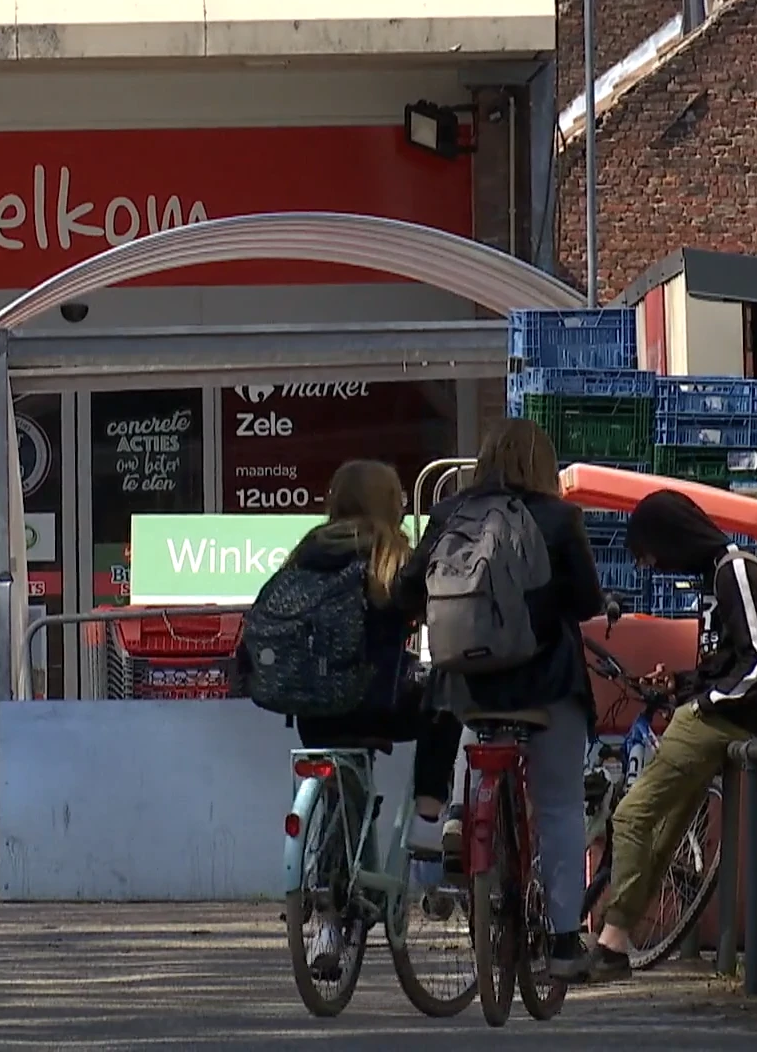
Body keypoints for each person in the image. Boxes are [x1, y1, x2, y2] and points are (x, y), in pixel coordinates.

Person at [395, 417, 610, 979]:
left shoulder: (448, 516)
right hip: (547, 684)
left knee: (474, 734)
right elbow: (585, 601)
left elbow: (406, 592)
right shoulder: (560, 518)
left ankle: (464, 815)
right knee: (561, 806)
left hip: (467, 686)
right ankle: (564, 945)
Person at [234, 460, 464, 973]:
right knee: (446, 699)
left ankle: (328, 934)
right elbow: (424, 609)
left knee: (342, 798)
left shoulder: (307, 552)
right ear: (386, 502)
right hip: (374, 703)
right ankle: (430, 819)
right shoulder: (390, 554)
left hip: (311, 712)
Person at [588, 488, 757, 982]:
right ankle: (613, 942)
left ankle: (612, 940)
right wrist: (682, 683)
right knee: (661, 831)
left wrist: (703, 702)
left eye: (653, 554)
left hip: (716, 722)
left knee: (633, 816)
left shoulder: (733, 572)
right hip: (720, 715)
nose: (656, 566)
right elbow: (735, 660)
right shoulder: (721, 573)